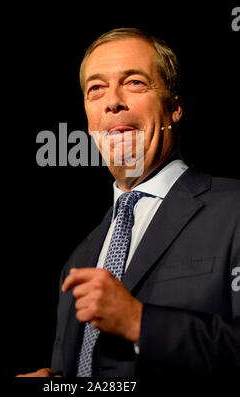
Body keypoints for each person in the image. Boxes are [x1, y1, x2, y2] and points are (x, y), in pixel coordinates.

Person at [17, 28, 240, 378]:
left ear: (175, 107)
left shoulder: (234, 210)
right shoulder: (78, 259)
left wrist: (141, 323)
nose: (112, 101)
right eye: (96, 89)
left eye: (134, 82)